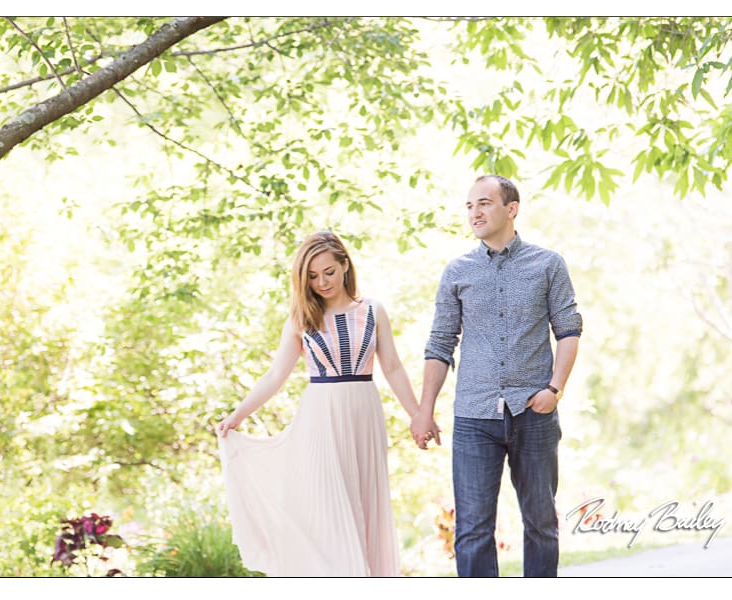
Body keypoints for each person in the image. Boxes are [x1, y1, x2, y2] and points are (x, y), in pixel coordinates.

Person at [216, 230, 420, 577]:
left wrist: (418, 417)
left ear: (344, 265)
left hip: (364, 413)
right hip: (319, 418)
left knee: (366, 502)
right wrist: (237, 416)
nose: (322, 281)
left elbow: (394, 368)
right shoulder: (301, 319)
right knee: (326, 507)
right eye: (312, 276)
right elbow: (275, 376)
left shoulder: (373, 311)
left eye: (328, 271)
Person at [410, 174, 582, 577]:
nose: (475, 212)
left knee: (541, 526)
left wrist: (554, 389)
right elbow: (440, 344)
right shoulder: (457, 272)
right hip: (474, 417)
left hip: (533, 414)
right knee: (471, 531)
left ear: (511, 209)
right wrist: (424, 411)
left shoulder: (547, 264)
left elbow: (569, 331)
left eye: (484, 203)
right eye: (470, 206)